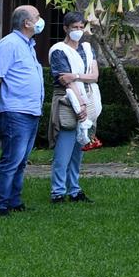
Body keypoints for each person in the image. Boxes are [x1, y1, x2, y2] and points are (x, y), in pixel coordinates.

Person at [0, 5, 47, 217]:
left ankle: (13, 200)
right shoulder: (9, 44)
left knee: (20, 161)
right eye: (37, 17)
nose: (40, 20)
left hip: (29, 111)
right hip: (15, 111)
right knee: (12, 160)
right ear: (26, 23)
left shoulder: (28, 45)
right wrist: (0, 93)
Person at [47, 12, 98, 204]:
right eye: (74, 27)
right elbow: (63, 80)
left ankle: (74, 189)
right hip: (68, 101)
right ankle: (58, 191)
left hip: (88, 97)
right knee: (64, 148)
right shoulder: (58, 50)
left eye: (80, 27)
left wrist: (75, 75)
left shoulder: (87, 47)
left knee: (79, 147)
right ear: (65, 28)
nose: (78, 31)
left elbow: (94, 76)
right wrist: (79, 105)